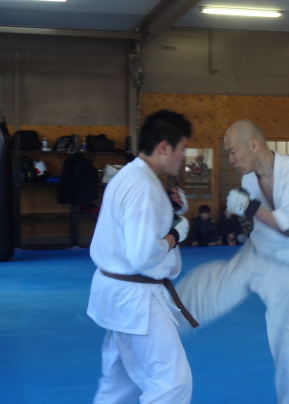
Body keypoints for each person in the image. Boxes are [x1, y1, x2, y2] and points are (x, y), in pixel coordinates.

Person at [176, 119, 289, 404]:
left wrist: (249, 207)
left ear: (253, 144)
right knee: (216, 279)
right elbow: (259, 219)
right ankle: (170, 318)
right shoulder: (249, 180)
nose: (231, 159)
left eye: (233, 152)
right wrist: (248, 210)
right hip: (260, 250)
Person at [86, 109, 196, 404]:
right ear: (164, 147)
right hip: (137, 299)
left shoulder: (129, 175)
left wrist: (169, 212)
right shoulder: (144, 186)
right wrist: (175, 235)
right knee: (172, 382)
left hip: (118, 293)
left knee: (120, 386)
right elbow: (142, 255)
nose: (183, 156)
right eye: (182, 148)